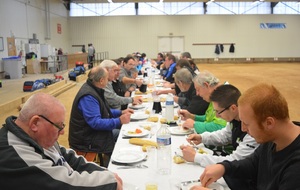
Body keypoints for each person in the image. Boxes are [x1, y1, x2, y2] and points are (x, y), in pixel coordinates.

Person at [0, 93, 123, 189]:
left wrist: (105, 172)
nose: (62, 132)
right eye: (59, 126)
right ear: (35, 123)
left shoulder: (35, 136)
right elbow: (64, 184)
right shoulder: (14, 154)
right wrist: (109, 182)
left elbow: (69, 158)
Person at [198, 83, 300, 190]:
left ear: (269, 123)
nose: (243, 129)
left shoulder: (296, 167)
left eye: (246, 124)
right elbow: (252, 164)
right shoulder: (273, 137)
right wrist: (224, 167)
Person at [69, 66, 134, 167]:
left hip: (90, 133)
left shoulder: (94, 89)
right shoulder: (88, 96)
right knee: (122, 136)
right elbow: (96, 122)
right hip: (86, 139)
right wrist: (118, 121)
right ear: (101, 80)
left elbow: (103, 111)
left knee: (123, 133)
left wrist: (120, 113)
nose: (108, 81)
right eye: (107, 78)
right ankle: (112, 167)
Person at [180, 84, 259, 167]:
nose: (217, 116)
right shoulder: (234, 119)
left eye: (218, 111)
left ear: (233, 108)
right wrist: (202, 137)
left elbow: (234, 160)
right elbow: (224, 135)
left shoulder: (252, 129)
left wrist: (196, 157)